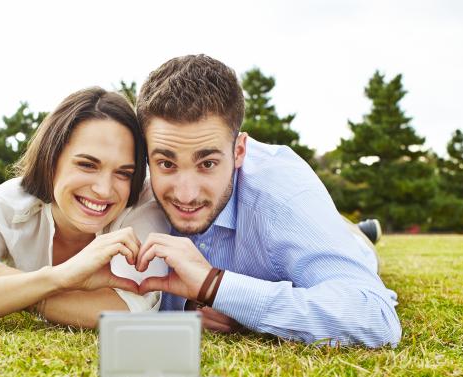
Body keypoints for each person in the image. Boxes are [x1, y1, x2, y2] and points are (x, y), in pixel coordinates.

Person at [133, 55, 402, 348]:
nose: (186, 194)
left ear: (239, 151)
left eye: (207, 164)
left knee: (356, 244)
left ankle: (360, 232)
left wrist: (217, 286)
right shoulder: (137, 189)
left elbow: (376, 317)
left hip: (323, 230)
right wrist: (190, 306)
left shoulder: (283, 197)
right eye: (166, 164)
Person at [0, 87, 169, 329]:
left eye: (123, 173)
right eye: (87, 165)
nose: (103, 189)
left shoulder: (142, 204)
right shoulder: (3, 204)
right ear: (50, 160)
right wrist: (58, 280)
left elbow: (135, 314)